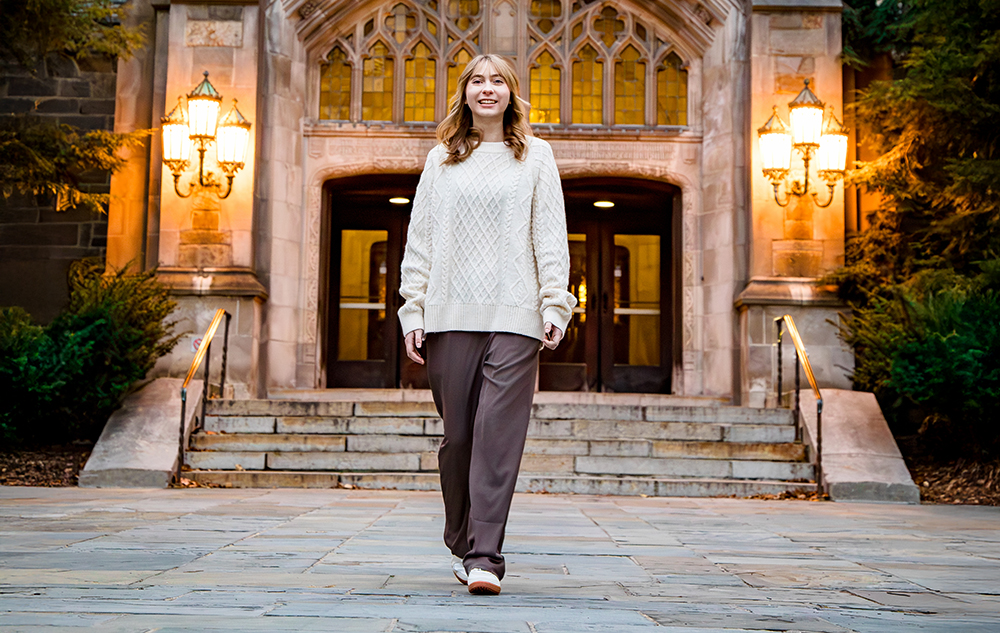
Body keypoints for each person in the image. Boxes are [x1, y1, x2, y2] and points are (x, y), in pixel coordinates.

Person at [397, 54, 576, 596]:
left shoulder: (537, 157)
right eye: (477, 80)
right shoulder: (440, 160)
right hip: (449, 316)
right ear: (465, 94)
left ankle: (485, 557)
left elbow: (550, 237)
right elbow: (420, 241)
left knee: (498, 435)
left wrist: (553, 305)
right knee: (459, 440)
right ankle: (461, 536)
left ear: (512, 93)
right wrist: (413, 310)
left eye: (498, 80)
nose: (487, 89)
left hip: (516, 316)